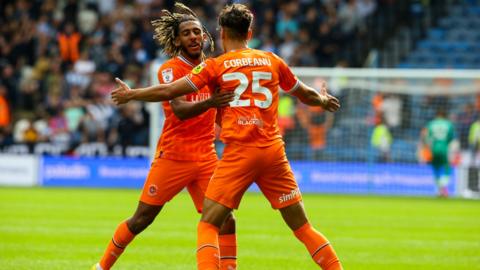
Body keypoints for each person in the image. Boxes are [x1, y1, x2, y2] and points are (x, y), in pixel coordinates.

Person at [111, 4, 342, 269]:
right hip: (273, 153)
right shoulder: (272, 59)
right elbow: (305, 94)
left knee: (209, 223)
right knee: (303, 228)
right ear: (250, 32)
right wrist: (323, 100)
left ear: (221, 33)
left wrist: (132, 94)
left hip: (240, 154)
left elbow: (170, 91)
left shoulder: (216, 66)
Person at [92, 4, 237, 270]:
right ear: (177, 39)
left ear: (205, 36)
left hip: (205, 158)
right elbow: (180, 110)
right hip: (173, 157)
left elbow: (220, 112)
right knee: (141, 219)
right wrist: (211, 102)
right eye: (186, 33)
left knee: (226, 219)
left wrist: (229, 125)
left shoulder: (214, 69)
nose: (193, 37)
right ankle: (101, 267)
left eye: (197, 32)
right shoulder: (170, 69)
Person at [422, 109, 455, 197]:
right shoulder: (448, 124)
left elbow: (425, 136)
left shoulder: (431, 123)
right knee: (447, 167)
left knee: (435, 168)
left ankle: (439, 189)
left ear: (436, 115)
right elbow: (451, 137)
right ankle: (443, 187)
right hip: (444, 147)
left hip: (434, 148)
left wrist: (427, 148)